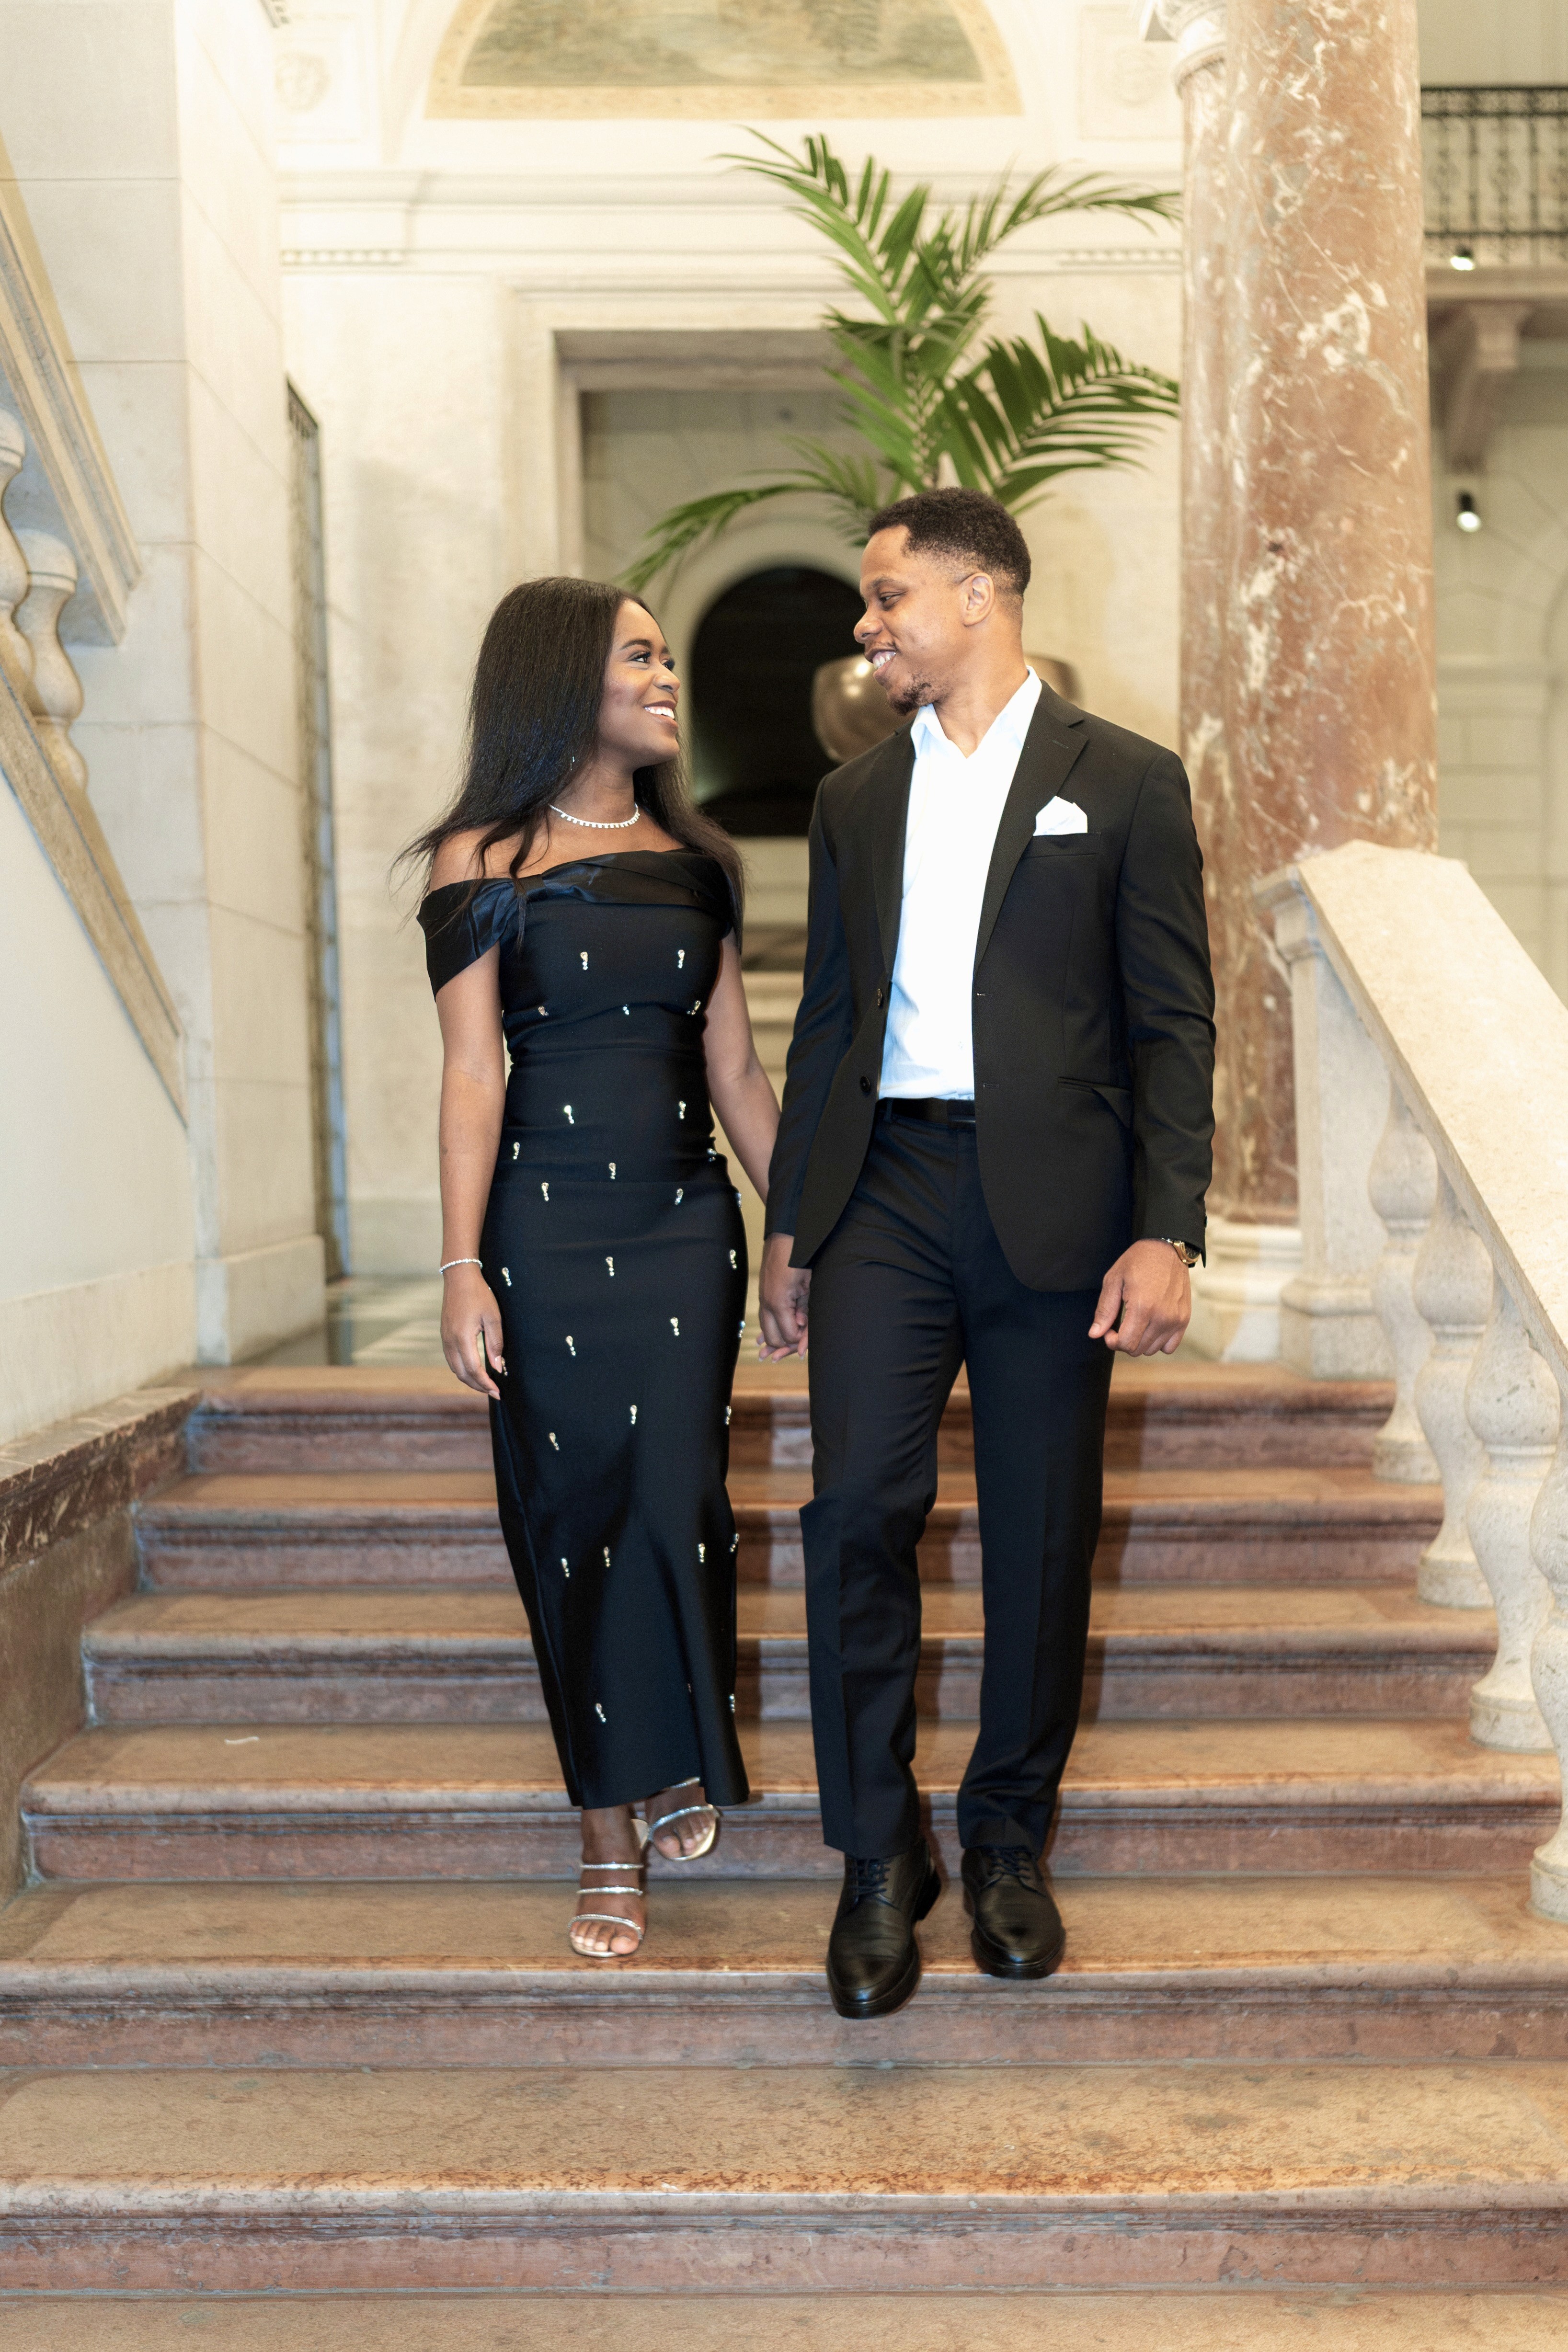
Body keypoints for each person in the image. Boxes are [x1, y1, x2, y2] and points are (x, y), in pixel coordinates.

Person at [758, 488, 1214, 2021]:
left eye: (886, 596)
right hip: (882, 1183)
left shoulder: (1126, 783)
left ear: (977, 593)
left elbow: (1171, 1024)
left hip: (1056, 1204)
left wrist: (1166, 1228)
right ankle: (880, 1860)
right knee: (859, 1510)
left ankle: (1007, 1842)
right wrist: (790, 1222)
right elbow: (826, 1022)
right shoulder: (851, 801)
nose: (867, 623)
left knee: (1037, 1531)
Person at [412, 577, 780, 1959]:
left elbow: (736, 1066)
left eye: (664, 654)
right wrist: (460, 1263)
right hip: (544, 1227)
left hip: (687, 1221)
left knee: (678, 1490)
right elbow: (469, 1070)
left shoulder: (700, 860)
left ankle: (675, 1738)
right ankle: (602, 1827)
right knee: (573, 1509)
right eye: (640, 654)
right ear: (567, 679)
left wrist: (796, 1218)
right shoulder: (479, 858)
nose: (666, 675)